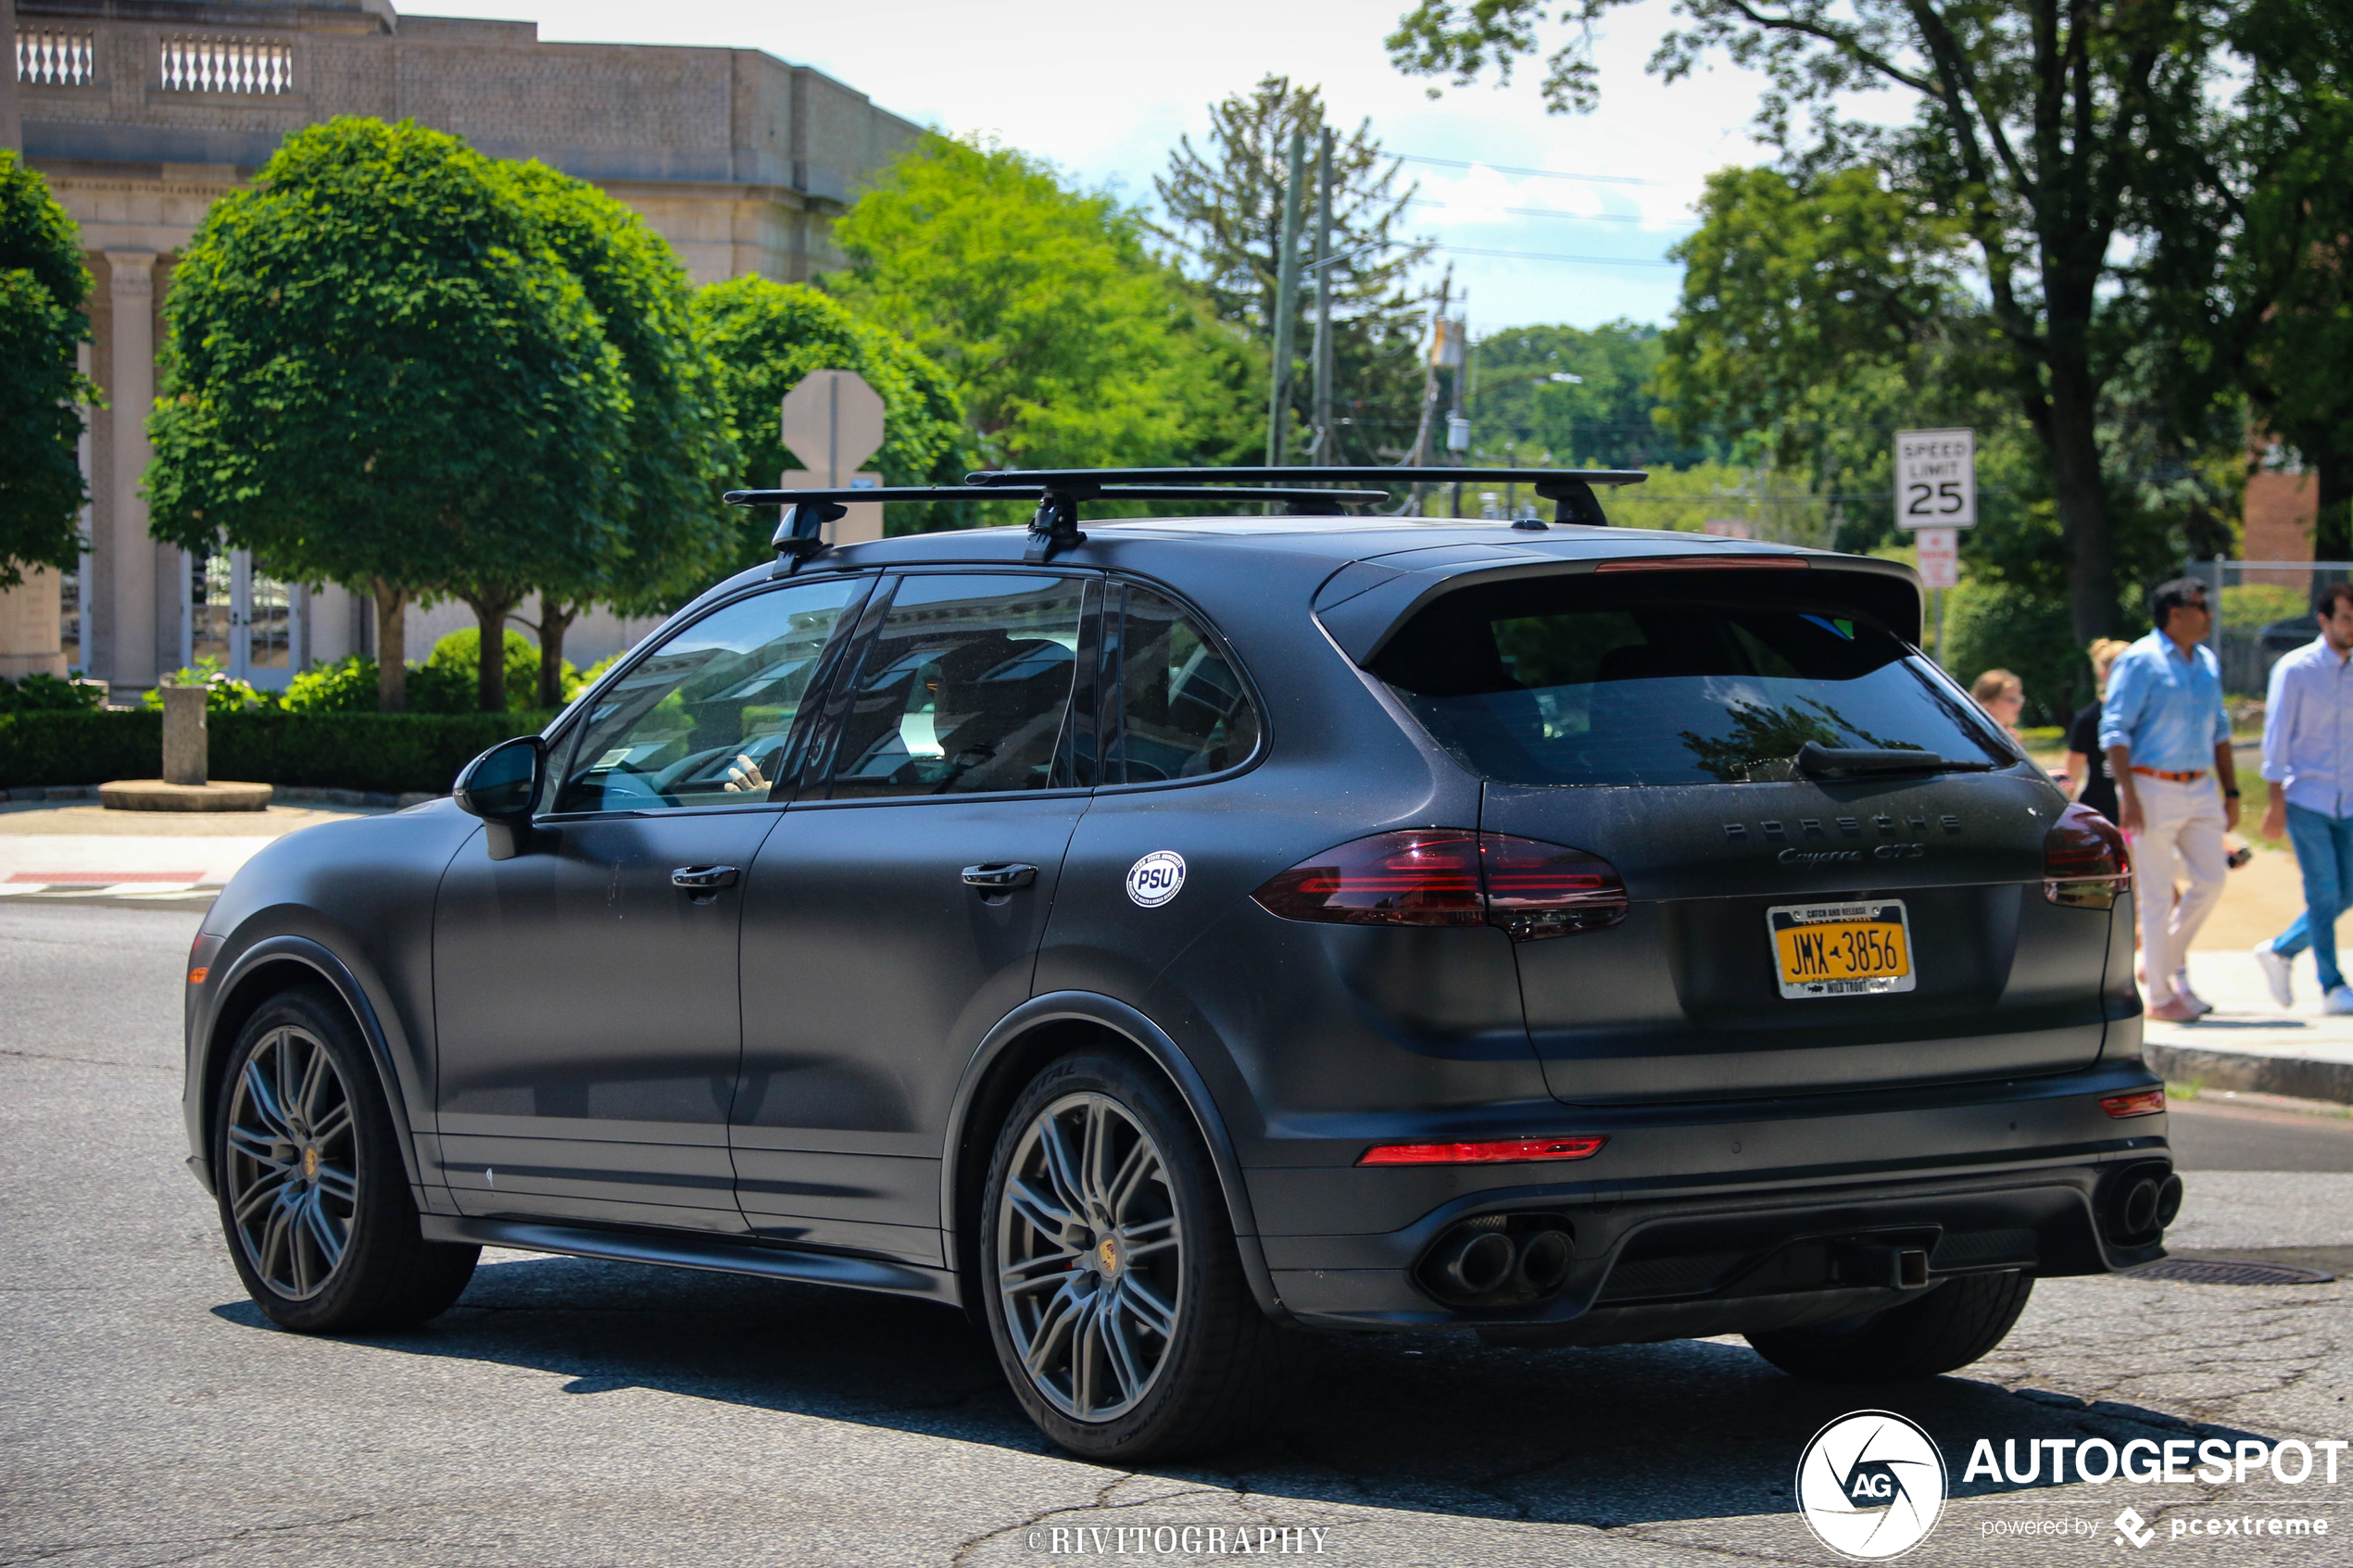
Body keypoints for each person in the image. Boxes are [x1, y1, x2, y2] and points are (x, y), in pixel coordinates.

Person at [2101, 579, 2239, 1022]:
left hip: (2200, 786)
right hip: (2151, 784)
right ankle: (2160, 996)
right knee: (2158, 897)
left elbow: (2220, 729)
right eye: (2200, 606)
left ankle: (2157, 965)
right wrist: (2129, 795)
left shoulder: (2206, 662)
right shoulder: (2139, 661)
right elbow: (2115, 730)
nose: (2208, 614)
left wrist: (2232, 790)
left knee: (2212, 881)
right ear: (2175, 614)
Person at [2251, 583, 2353, 1013]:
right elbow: (2276, 740)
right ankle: (2332, 985)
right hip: (2305, 798)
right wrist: (2274, 802)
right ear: (2324, 620)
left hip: (2348, 802)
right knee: (2324, 893)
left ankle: (2281, 950)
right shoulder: (2295, 669)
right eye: (2346, 618)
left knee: (2346, 892)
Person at [2064, 639, 2133, 821]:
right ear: (2104, 674)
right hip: (2103, 812)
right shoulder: (2088, 719)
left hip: (2145, 806)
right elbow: (2071, 777)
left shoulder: (2147, 716)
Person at [1969, 669, 2026, 746]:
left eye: (2019, 700)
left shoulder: (2011, 737)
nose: (2019, 706)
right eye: (2012, 700)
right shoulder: (1973, 738)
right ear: (1988, 702)